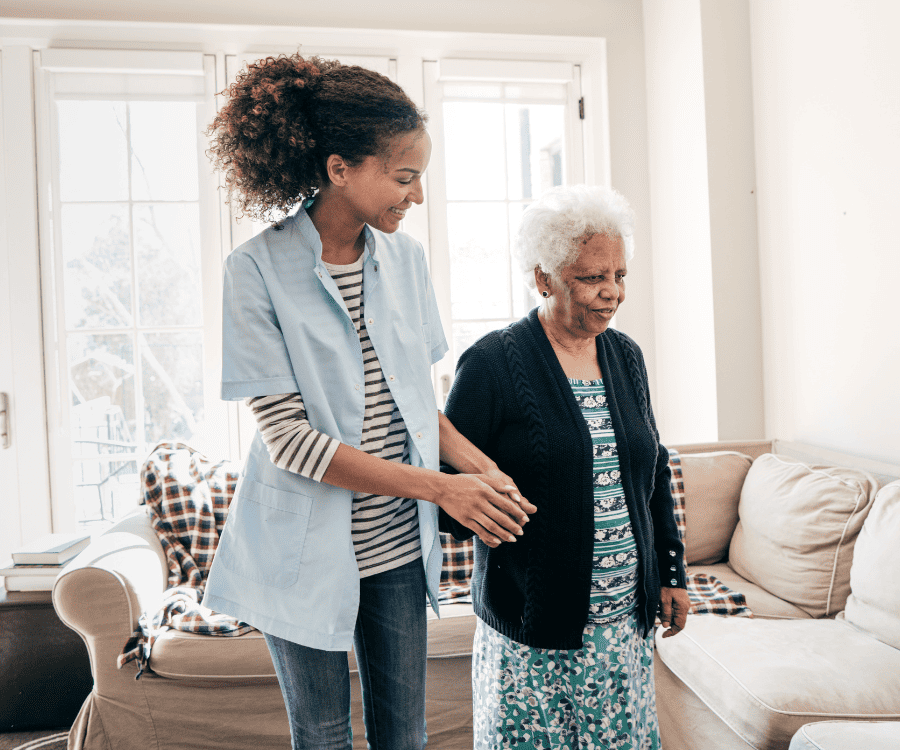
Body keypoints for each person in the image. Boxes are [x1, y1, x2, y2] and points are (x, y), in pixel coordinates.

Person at [201, 53, 536, 750]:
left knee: (403, 735)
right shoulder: (255, 271)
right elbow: (291, 442)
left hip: (393, 548)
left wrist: (483, 470)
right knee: (322, 736)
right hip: (301, 548)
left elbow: (419, 406)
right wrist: (443, 490)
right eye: (404, 176)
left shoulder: (405, 262)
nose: (415, 196)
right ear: (339, 169)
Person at [440, 184, 691, 750]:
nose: (612, 293)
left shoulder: (625, 356)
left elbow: (651, 470)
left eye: (620, 275)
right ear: (543, 278)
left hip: (623, 627)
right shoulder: (492, 363)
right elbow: (451, 492)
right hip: (534, 628)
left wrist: (670, 572)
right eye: (591, 278)